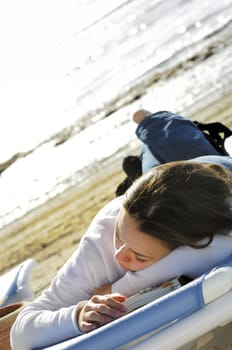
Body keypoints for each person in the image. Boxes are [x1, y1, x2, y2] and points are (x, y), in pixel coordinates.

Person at [10, 110, 232, 350]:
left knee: (174, 146)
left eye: (140, 256)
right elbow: (21, 336)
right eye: (119, 235)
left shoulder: (215, 229)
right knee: (163, 153)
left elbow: (212, 250)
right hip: (177, 181)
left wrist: (121, 288)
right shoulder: (102, 239)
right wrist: (77, 314)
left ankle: (149, 131)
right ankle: (146, 126)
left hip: (211, 177)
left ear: (185, 245)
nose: (119, 255)